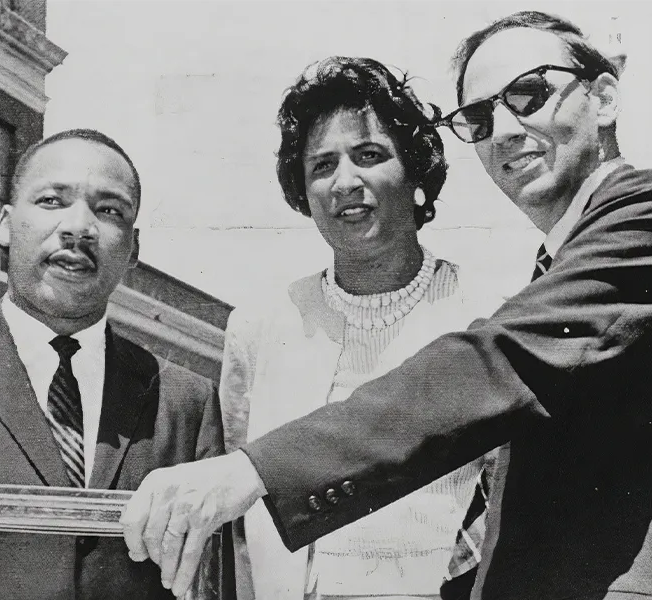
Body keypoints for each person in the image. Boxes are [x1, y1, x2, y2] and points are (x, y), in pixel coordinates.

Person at [121, 11, 652, 600]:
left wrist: (253, 470)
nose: (504, 128)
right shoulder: (554, 269)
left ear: (604, 97)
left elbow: (497, 362)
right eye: (479, 117)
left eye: (529, 94)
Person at [218, 56, 499, 600]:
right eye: (322, 165)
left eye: (369, 156)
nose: (345, 181)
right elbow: (243, 508)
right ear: (302, 191)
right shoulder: (259, 327)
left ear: (417, 173)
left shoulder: (487, 317)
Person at [0, 129, 224, 600]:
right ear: (4, 222)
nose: (79, 226)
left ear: (133, 248)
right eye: (52, 201)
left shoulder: (187, 404)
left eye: (109, 210)